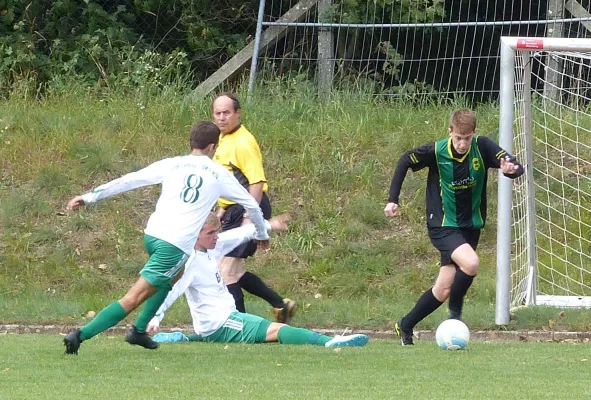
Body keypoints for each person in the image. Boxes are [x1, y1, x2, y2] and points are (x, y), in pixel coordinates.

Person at [62, 121, 270, 355]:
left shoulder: (173, 164)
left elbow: (130, 179)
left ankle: (139, 330)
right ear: (214, 146)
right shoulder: (220, 174)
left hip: (153, 236)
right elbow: (252, 204)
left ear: (191, 142)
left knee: (176, 274)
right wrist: (261, 233)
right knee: (135, 297)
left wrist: (90, 197)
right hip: (174, 245)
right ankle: (81, 335)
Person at [384, 109, 524, 346]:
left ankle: (405, 325)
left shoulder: (483, 147)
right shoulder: (436, 151)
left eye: (466, 138)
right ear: (450, 132)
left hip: (471, 226)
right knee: (471, 263)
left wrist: (512, 170)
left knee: (443, 287)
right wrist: (393, 198)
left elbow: (514, 165)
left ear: (473, 134)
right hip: (442, 224)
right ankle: (455, 317)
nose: (462, 143)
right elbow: (405, 160)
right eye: (458, 137)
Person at [146, 212, 369, 348]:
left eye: (216, 232)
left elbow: (237, 235)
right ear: (195, 234)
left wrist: (270, 226)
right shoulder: (191, 262)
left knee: (264, 335)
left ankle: (184, 339)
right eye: (211, 233)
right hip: (222, 323)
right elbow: (171, 290)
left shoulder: (209, 249)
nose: (216, 237)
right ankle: (330, 342)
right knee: (277, 330)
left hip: (219, 323)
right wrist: (156, 316)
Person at [211, 92, 297, 323]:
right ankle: (281, 305)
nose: (221, 118)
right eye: (217, 113)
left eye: (226, 113)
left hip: (247, 207)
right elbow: (229, 179)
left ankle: (238, 324)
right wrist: (221, 211)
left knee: (225, 270)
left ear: (238, 114)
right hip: (233, 209)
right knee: (234, 271)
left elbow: (256, 182)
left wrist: (250, 218)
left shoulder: (243, 142)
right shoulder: (222, 138)